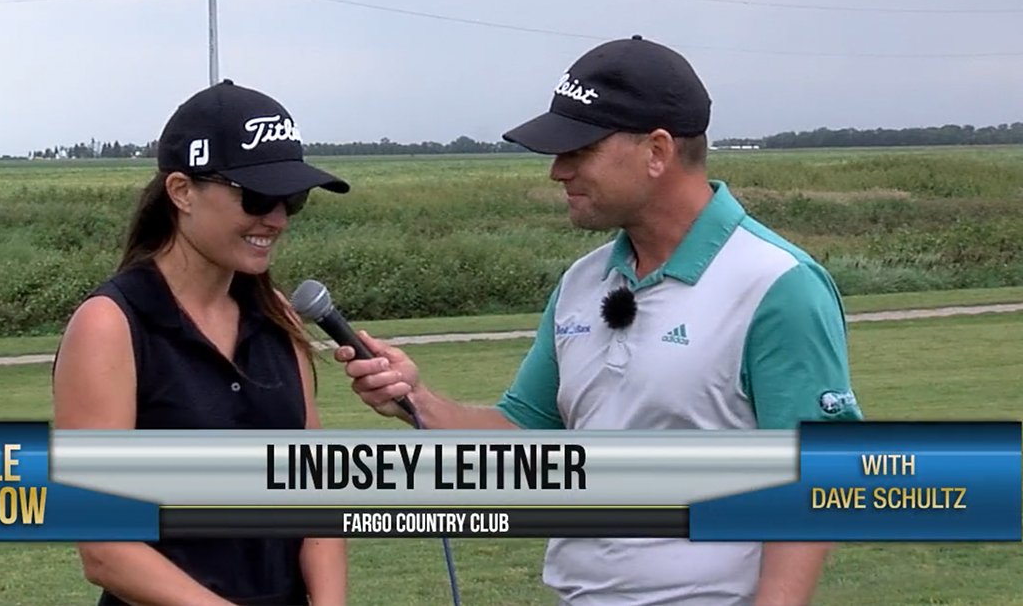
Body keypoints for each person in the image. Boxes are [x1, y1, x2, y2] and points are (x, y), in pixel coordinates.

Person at [335, 36, 863, 606]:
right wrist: (418, 401)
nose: (557, 171)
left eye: (579, 150)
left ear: (657, 151)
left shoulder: (776, 284)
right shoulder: (583, 282)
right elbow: (525, 434)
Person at [53, 79, 348, 606]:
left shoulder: (276, 315)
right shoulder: (110, 326)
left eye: (292, 199)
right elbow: (104, 547)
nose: (277, 219)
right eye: (258, 197)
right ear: (182, 191)